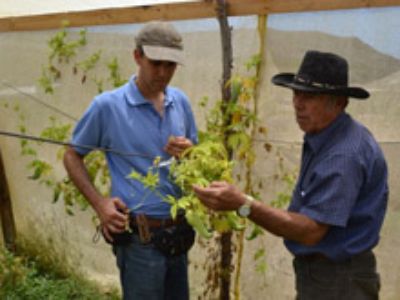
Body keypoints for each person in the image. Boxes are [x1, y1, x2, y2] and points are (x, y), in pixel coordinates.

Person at [193, 50, 388, 300]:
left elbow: (310, 231)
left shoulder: (342, 155)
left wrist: (243, 204)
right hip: (328, 276)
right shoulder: (327, 136)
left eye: (310, 96)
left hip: (338, 282)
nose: (298, 103)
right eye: (296, 93)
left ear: (339, 102)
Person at [63, 21, 197, 300]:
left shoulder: (180, 102)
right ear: (137, 56)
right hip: (139, 240)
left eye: (170, 65)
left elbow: (193, 159)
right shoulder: (108, 106)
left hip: (178, 233)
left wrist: (190, 152)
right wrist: (101, 204)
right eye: (155, 63)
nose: (163, 72)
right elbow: (72, 155)